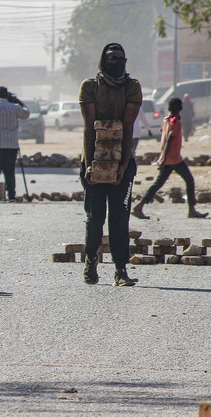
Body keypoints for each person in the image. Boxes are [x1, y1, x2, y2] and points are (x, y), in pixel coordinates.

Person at [79, 43, 141, 287]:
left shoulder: (131, 87)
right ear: (103, 61)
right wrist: (88, 163)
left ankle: (120, 270)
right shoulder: (90, 86)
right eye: (111, 58)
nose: (115, 61)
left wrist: (124, 164)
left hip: (123, 161)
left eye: (119, 58)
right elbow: (88, 126)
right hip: (93, 159)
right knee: (95, 217)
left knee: (119, 218)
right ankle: (91, 261)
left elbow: (127, 127)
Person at [131, 98, 208, 220]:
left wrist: (162, 159)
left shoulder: (166, 120)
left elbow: (164, 135)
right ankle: (192, 210)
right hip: (174, 158)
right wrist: (165, 158)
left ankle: (139, 206)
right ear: (180, 109)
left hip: (167, 158)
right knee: (189, 180)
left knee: (158, 183)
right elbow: (169, 140)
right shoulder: (175, 122)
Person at [0, 86, 30, 202]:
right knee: (9, 172)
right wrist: (18, 102)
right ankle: (11, 196)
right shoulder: (14, 108)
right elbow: (26, 114)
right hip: (10, 145)